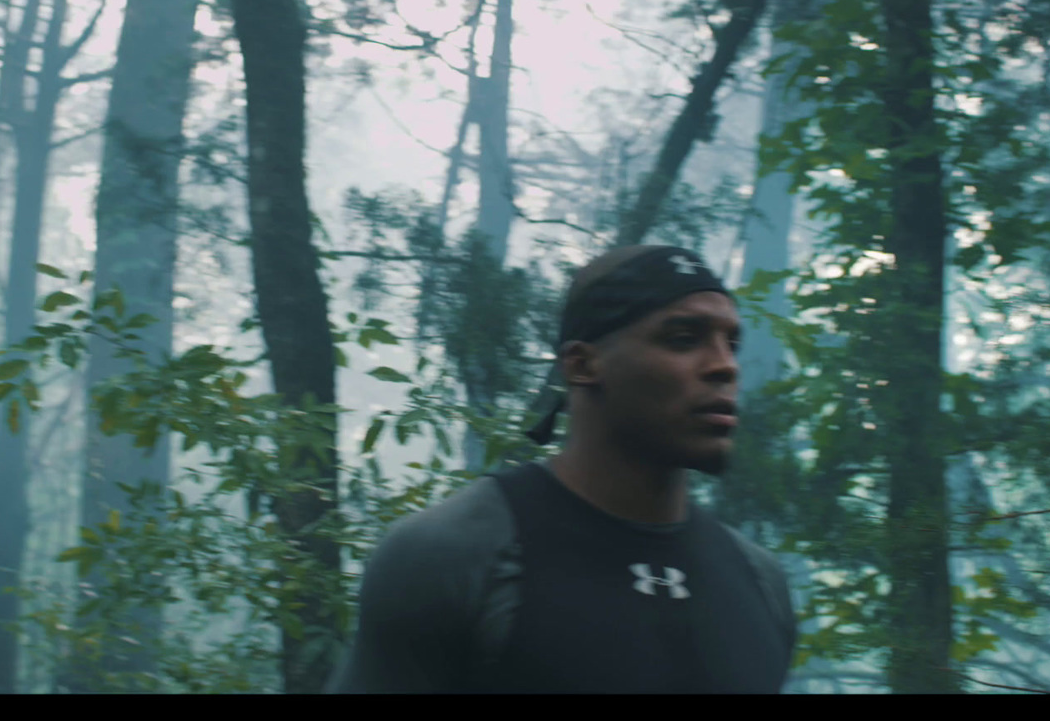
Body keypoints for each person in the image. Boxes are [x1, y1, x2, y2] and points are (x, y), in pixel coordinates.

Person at [326, 245, 797, 694]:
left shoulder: (761, 583)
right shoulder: (454, 556)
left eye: (730, 342)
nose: (725, 366)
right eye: (683, 338)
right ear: (582, 364)